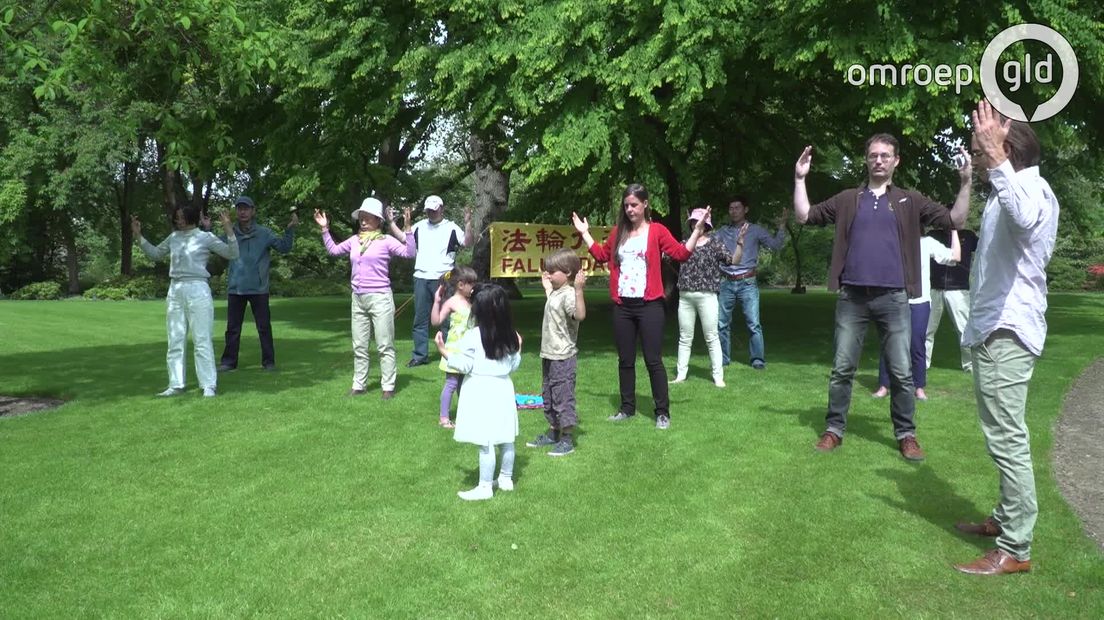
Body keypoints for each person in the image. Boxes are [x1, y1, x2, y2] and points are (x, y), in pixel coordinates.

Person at [793, 132, 971, 461]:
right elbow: (805, 215)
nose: (878, 160)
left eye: (885, 155)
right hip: (853, 297)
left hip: (894, 298)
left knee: (902, 371)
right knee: (842, 368)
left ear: (895, 161)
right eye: (873, 155)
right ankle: (834, 429)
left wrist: (965, 182)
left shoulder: (909, 200)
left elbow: (955, 219)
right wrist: (800, 178)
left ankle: (906, 434)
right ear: (866, 158)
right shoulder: (848, 198)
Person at [953, 101, 1058, 576]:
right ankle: (1004, 518)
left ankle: (1016, 547)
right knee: (1001, 434)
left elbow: (1023, 220)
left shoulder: (1030, 188)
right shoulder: (1005, 190)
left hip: (1007, 332)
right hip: (994, 328)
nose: (975, 155)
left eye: (982, 148)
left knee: (1007, 437)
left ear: (1006, 148)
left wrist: (995, 158)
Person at [572, 183, 708, 430]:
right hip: (623, 306)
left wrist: (697, 231)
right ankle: (627, 408)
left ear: (645, 204)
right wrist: (585, 233)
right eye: (626, 205)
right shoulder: (618, 233)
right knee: (625, 360)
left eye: (634, 205)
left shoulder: (656, 231)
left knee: (653, 360)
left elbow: (681, 254)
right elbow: (602, 256)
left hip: (650, 306)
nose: (630, 209)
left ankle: (662, 412)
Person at [133, 206, 239, 397]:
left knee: (202, 339)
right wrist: (138, 235)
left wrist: (228, 229)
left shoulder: (205, 237)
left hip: (197, 288)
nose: (178, 221)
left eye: (181, 218)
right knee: (175, 339)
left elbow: (232, 254)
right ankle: (175, 384)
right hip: (175, 289)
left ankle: (208, 385)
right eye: (176, 218)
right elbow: (156, 254)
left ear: (191, 218)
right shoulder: (174, 238)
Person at [315, 198, 414, 399]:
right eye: (361, 217)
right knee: (359, 345)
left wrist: (408, 229)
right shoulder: (354, 240)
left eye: (368, 217)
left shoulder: (386, 240)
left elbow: (410, 253)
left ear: (378, 220)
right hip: (358, 298)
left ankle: (388, 387)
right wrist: (325, 229)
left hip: (380, 297)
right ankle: (359, 385)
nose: (363, 221)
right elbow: (333, 250)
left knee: (384, 344)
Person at [436, 283, 522, 501]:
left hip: (481, 390)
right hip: (503, 388)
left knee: (485, 442)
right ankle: (505, 478)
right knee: (506, 438)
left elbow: (463, 366)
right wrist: (518, 348)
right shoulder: (510, 335)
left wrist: (444, 351)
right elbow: (513, 365)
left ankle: (485, 487)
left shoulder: (474, 336)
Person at [873, 231, 961, 400]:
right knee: (888, 342)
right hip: (894, 300)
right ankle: (884, 385)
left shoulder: (927, 242)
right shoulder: (892, 239)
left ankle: (918, 387)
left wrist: (954, 229)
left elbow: (955, 257)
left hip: (920, 302)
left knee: (916, 343)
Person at [214, 195, 298, 372]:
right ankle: (229, 362)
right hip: (236, 289)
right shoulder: (230, 233)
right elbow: (212, 245)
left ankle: (268, 362)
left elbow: (284, 248)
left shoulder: (264, 233)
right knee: (232, 329)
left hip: (259, 289)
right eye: (239, 208)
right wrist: (204, 227)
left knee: (264, 328)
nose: (242, 211)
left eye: (246, 208)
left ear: (253, 211)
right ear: (236, 211)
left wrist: (290, 230)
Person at [672, 207, 744, 387]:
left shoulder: (715, 244)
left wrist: (740, 243)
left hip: (707, 296)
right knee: (684, 337)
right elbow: (669, 255)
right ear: (691, 223)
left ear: (706, 225)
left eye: (701, 221)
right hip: (685, 296)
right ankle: (681, 375)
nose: (697, 224)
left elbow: (733, 261)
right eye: (694, 221)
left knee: (712, 337)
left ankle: (718, 377)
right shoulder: (684, 243)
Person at [526, 248, 587, 456]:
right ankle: (553, 433)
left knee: (563, 397)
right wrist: (546, 288)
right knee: (549, 396)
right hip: (549, 354)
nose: (549, 275)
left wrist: (579, 290)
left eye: (552, 272)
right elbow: (553, 304)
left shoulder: (570, 294)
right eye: (547, 271)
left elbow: (579, 315)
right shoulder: (556, 293)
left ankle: (567, 439)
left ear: (568, 272)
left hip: (563, 356)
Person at [713, 198, 788, 369]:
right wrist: (697, 226)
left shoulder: (755, 230)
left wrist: (782, 227)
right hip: (726, 282)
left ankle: (757, 360)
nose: (733, 211)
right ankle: (723, 359)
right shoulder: (723, 232)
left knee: (753, 323)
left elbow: (776, 245)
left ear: (745, 209)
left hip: (748, 282)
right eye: (730, 208)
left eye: (737, 208)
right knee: (722, 324)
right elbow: (705, 243)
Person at [408, 195, 474, 367]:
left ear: (441, 209)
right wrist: (394, 223)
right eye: (428, 209)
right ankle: (419, 355)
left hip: (444, 277)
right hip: (421, 276)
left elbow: (467, 242)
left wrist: (467, 223)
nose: (431, 212)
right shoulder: (419, 226)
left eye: (434, 209)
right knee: (420, 319)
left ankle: (447, 352)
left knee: (446, 318)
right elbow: (404, 238)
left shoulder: (451, 227)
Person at [925, 227, 979, 372]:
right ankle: (922, 363)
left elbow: (982, 251)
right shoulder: (933, 235)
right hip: (934, 287)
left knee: (964, 328)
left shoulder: (968, 235)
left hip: (958, 289)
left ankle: (970, 365)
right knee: (927, 329)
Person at [431, 265, 478, 428]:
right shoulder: (452, 302)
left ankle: (466, 413)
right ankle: (444, 418)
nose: (474, 287)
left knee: (464, 384)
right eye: (471, 284)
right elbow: (436, 321)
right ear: (460, 284)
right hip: (454, 349)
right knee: (451, 383)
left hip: (469, 350)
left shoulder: (471, 301)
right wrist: (437, 301)